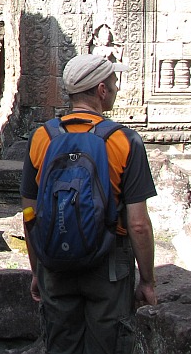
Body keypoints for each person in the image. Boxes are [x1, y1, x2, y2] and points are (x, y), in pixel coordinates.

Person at [21, 53, 158, 354]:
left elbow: (30, 214)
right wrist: (147, 280)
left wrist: (36, 271)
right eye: (113, 82)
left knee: (61, 345)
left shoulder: (41, 138)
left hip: (55, 260)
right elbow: (138, 223)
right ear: (100, 90)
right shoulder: (125, 141)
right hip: (109, 264)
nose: (117, 88)